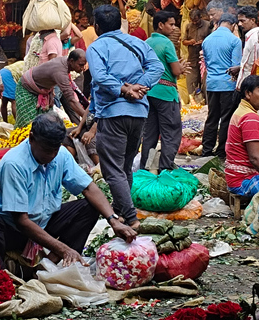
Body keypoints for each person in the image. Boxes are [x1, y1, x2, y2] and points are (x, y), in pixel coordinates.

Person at [0, 113, 137, 269]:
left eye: (55, 149)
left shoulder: (61, 155)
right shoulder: (15, 164)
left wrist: (113, 220)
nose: (51, 155)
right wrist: (62, 248)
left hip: (43, 221)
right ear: (31, 139)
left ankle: (49, 265)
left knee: (90, 207)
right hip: (12, 229)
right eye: (46, 150)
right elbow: (21, 220)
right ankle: (1, 272)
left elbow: (88, 187)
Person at [87, 4, 163, 228]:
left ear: (97, 26)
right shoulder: (138, 43)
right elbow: (157, 68)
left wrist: (125, 89)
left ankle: (130, 218)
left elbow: (99, 76)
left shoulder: (96, 47)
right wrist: (139, 86)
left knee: (113, 169)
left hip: (113, 113)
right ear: (120, 23)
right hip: (138, 112)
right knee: (126, 165)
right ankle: (121, 211)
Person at [140, 11, 190, 171]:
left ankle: (145, 168)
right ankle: (165, 168)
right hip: (166, 94)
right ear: (160, 25)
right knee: (171, 133)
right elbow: (175, 71)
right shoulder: (166, 43)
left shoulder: (147, 42)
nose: (174, 28)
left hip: (149, 92)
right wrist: (181, 68)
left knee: (150, 134)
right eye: (171, 24)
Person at [202, 13, 242, 159]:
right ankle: (221, 152)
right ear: (233, 25)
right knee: (226, 118)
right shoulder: (234, 40)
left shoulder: (207, 40)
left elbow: (205, 64)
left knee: (212, 117)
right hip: (227, 84)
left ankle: (206, 150)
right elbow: (235, 66)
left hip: (211, 84)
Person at [15, 50, 87, 128]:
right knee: (28, 124)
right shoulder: (60, 71)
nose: (83, 68)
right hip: (26, 88)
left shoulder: (64, 62)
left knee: (46, 122)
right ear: (72, 61)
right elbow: (71, 99)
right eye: (80, 65)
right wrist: (87, 118)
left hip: (42, 89)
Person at [226, 75, 259, 197]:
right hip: (244, 180)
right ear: (248, 93)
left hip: (235, 177)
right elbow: (255, 159)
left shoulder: (241, 111)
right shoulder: (250, 117)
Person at [183, 9, 210, 95]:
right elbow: (184, 41)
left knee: (205, 83)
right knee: (190, 82)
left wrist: (203, 42)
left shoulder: (208, 25)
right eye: (192, 21)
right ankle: (193, 101)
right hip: (192, 59)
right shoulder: (188, 26)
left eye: (196, 20)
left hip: (205, 60)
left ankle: (206, 102)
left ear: (200, 17)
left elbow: (212, 40)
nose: (194, 23)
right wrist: (190, 42)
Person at [233, 7, 259, 93]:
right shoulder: (251, 36)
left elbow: (252, 65)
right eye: (239, 21)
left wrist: (241, 87)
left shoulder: (254, 38)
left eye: (243, 21)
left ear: (252, 20)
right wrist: (240, 67)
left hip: (248, 88)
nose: (240, 24)